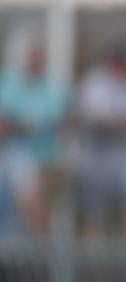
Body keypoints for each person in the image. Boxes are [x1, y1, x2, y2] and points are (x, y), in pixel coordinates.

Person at [76, 42, 126, 238]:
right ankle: (94, 253)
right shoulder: (95, 81)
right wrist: (122, 123)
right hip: (96, 153)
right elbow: (92, 115)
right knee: (95, 209)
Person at [0, 39, 67, 235]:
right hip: (19, 154)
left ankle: (48, 244)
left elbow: (62, 121)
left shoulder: (53, 88)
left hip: (44, 158)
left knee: (34, 206)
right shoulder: (10, 85)